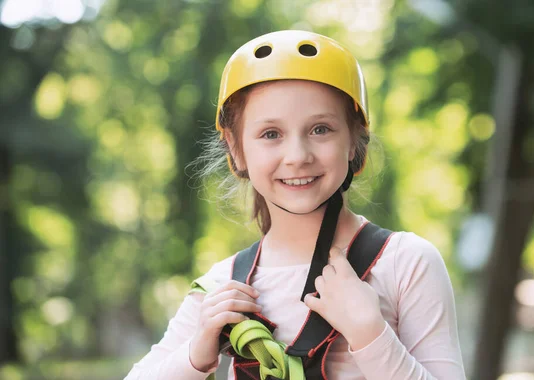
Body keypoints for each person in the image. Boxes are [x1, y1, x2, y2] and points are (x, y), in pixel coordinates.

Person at [125, 30, 466, 380]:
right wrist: (196, 354)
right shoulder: (222, 287)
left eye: (320, 129)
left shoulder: (405, 264)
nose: (298, 156)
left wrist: (371, 334)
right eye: (271, 134)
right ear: (236, 148)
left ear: (353, 140)